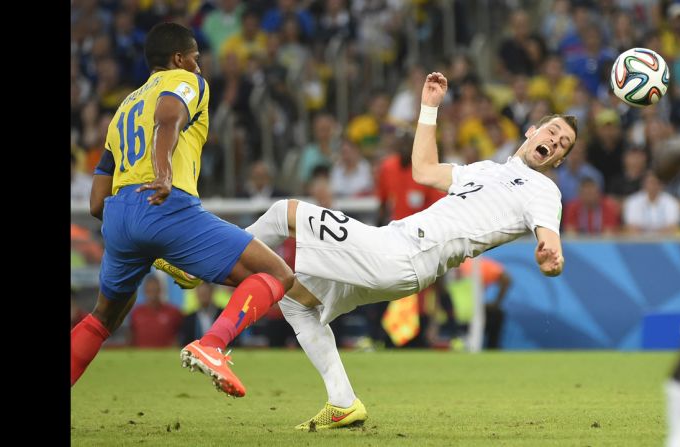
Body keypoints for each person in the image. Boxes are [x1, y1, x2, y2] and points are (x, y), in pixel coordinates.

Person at [238, 73, 574, 429]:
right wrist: (429, 108)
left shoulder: (542, 190)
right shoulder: (487, 170)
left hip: (404, 253)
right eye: (552, 131)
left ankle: (218, 253)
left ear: (558, 160)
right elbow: (425, 171)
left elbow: (550, 243)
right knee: (296, 301)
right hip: (400, 257)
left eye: (564, 143)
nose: (555, 141)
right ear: (531, 132)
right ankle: (343, 402)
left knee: (284, 212)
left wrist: (550, 259)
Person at [70, 23, 294, 399]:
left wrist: (139, 235)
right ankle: (213, 345)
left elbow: (96, 202)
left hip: (118, 218)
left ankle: (162, 256)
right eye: (196, 59)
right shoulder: (185, 82)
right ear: (179, 59)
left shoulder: (123, 108)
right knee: (276, 273)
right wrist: (164, 175)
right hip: (165, 204)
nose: (200, 68)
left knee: (104, 317)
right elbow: (169, 116)